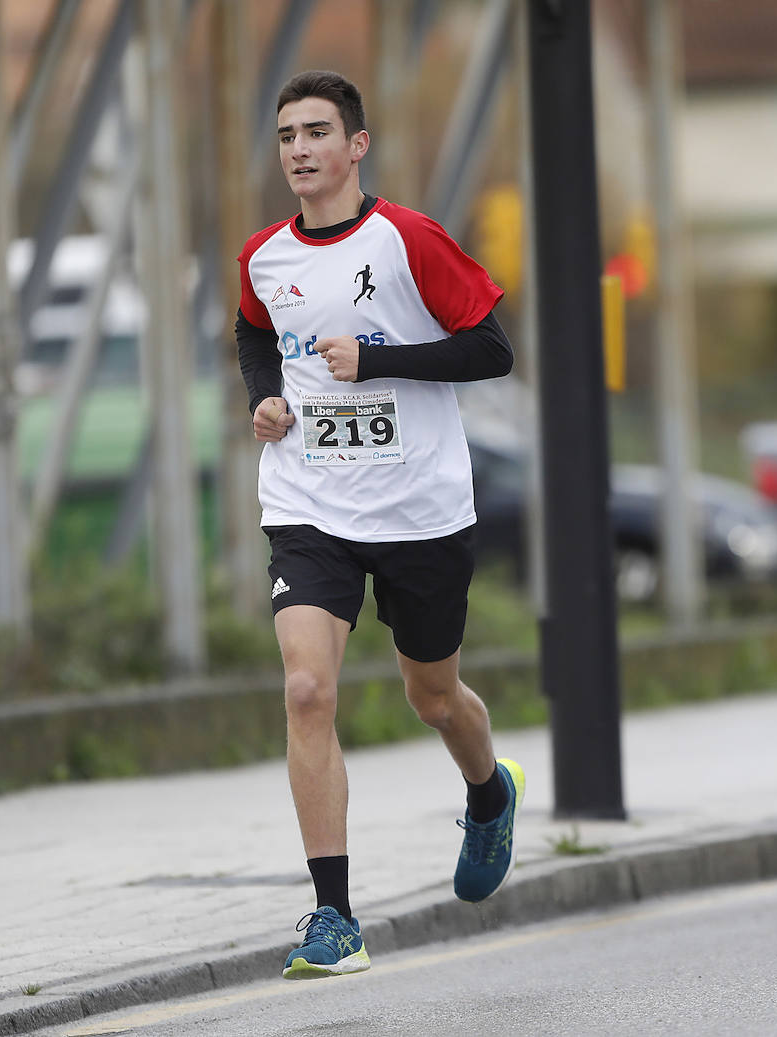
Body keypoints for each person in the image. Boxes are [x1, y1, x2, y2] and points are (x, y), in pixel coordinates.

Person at [236, 71, 522, 980]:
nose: (300, 149)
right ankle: (334, 918)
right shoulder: (264, 257)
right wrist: (267, 397)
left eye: (318, 132)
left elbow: (492, 347)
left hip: (419, 508)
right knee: (308, 692)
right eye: (287, 135)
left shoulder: (410, 239)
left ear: (357, 146)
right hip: (309, 502)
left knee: (434, 697)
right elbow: (251, 331)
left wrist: (377, 361)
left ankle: (488, 790)